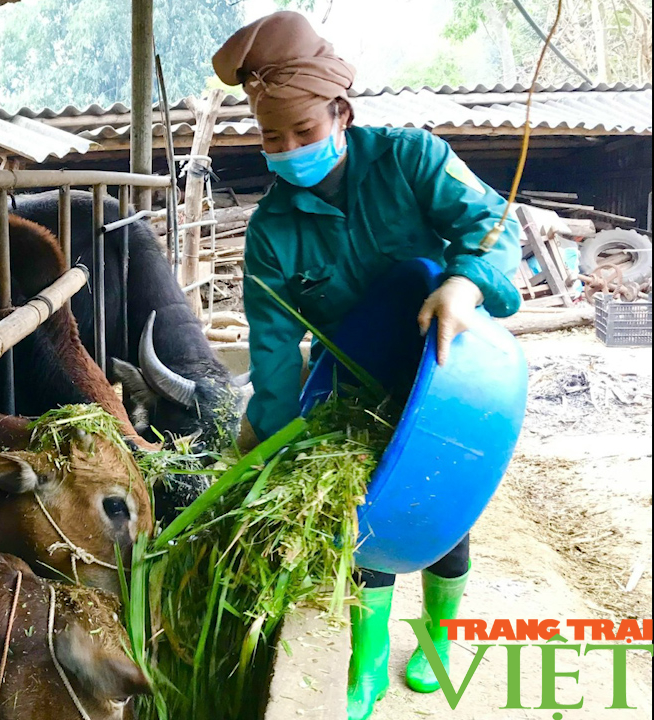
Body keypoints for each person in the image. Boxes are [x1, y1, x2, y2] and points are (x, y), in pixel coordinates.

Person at [212, 12, 523, 720]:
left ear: (342, 113)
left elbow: (491, 224)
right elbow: (271, 348)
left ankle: (441, 635)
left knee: (444, 510)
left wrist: (465, 281)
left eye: (304, 133)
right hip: (352, 385)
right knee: (366, 513)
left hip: (446, 370)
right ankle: (369, 654)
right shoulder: (271, 234)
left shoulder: (412, 160)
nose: (288, 151)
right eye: (271, 139)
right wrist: (266, 433)